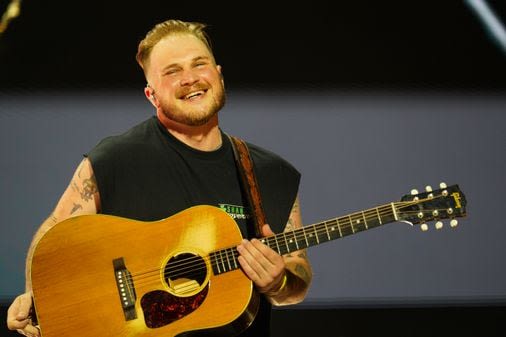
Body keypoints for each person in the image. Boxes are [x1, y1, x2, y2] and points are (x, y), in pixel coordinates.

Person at [6, 19, 312, 337]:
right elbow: (55, 232)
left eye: (199, 64)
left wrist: (279, 283)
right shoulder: (115, 159)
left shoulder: (268, 173)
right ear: (151, 95)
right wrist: (33, 294)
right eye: (172, 72)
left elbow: (296, 279)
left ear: (219, 75)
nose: (190, 78)